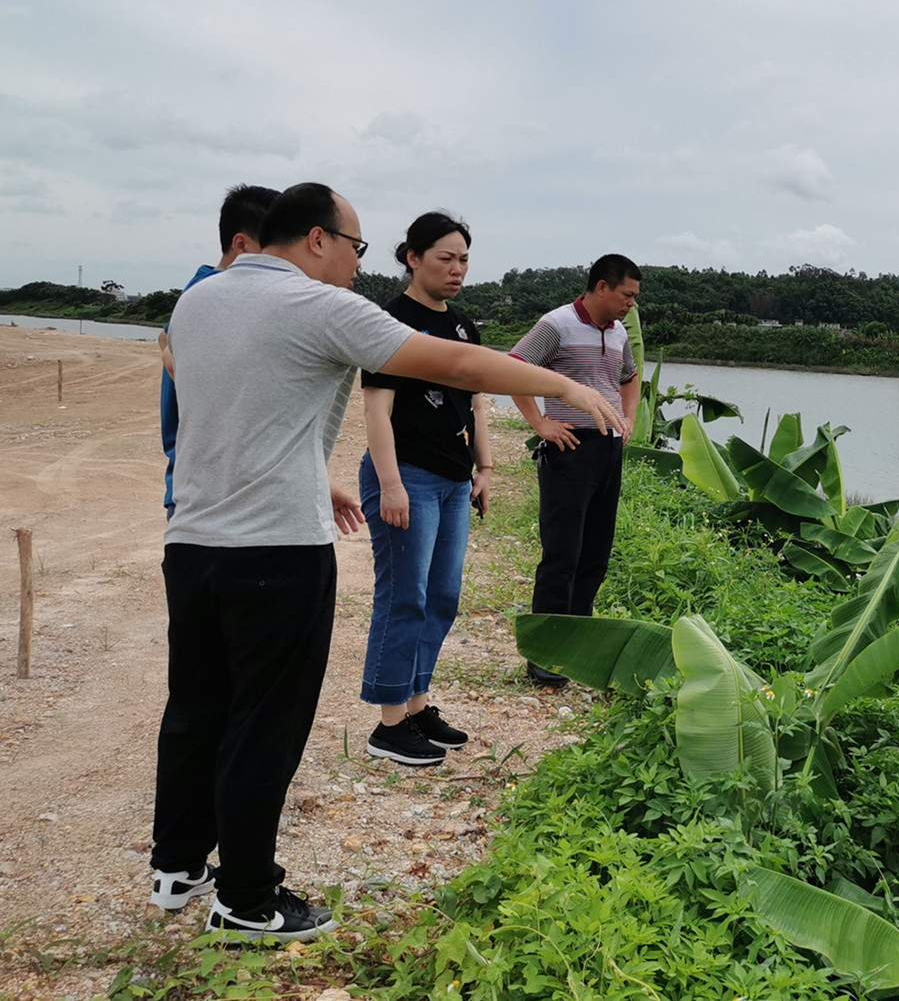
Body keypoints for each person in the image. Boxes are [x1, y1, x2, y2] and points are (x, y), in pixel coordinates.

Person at [152, 183, 626, 943]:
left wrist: (320, 473)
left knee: (197, 705)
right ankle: (245, 897)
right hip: (275, 550)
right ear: (316, 239)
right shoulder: (319, 306)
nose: (354, 261)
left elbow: (231, 409)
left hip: (194, 545)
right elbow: (461, 369)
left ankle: (176, 865)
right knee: (263, 724)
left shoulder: (198, 302)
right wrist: (563, 383)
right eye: (355, 245)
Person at [357, 212, 489, 767]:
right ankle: (388, 725)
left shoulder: (462, 326)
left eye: (463, 260)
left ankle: (417, 705)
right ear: (412, 257)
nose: (456, 270)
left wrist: (484, 468)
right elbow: (376, 410)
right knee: (403, 596)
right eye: (445, 259)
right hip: (406, 477)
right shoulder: (391, 322)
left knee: (442, 597)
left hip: (455, 482)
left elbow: (477, 401)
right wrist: (390, 484)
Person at [507, 255, 641, 685]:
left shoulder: (619, 331)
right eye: (627, 295)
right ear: (602, 287)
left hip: (608, 449)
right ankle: (545, 652)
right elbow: (515, 369)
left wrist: (629, 418)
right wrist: (540, 423)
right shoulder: (557, 324)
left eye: (635, 298)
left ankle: (577, 645)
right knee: (562, 553)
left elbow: (629, 377)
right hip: (569, 448)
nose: (630, 305)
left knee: (596, 554)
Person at [158, 184, 277, 519]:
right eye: (275, 246)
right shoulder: (211, 294)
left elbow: (165, 340)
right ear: (241, 244)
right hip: (205, 491)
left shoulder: (206, 291)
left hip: (213, 486)